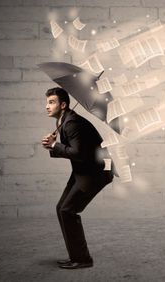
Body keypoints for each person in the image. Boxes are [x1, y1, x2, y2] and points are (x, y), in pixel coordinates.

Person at [41, 87, 113, 269]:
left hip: (96, 172)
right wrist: (54, 144)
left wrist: (55, 145)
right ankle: (76, 256)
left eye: (51, 102)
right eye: (47, 102)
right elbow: (78, 150)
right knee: (62, 208)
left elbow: (78, 153)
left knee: (67, 211)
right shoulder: (66, 121)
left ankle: (82, 259)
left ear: (63, 105)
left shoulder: (72, 123)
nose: (47, 106)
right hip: (84, 170)